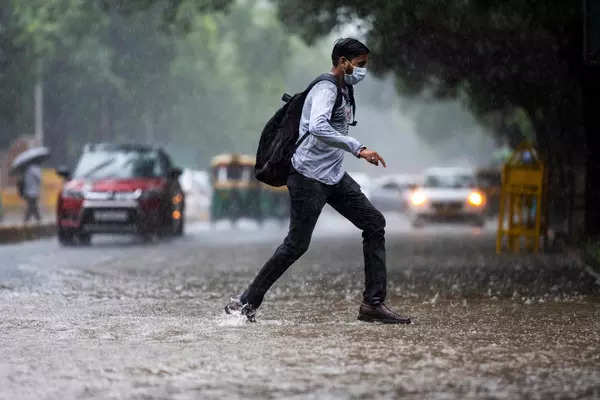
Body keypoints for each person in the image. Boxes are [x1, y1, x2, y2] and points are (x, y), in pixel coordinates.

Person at [225, 38, 411, 324]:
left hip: (334, 176)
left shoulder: (345, 90)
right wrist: (358, 148)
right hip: (308, 177)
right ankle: (245, 302)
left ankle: (372, 304)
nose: (363, 71)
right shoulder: (326, 88)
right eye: (360, 65)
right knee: (296, 245)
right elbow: (318, 126)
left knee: (374, 223)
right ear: (342, 61)